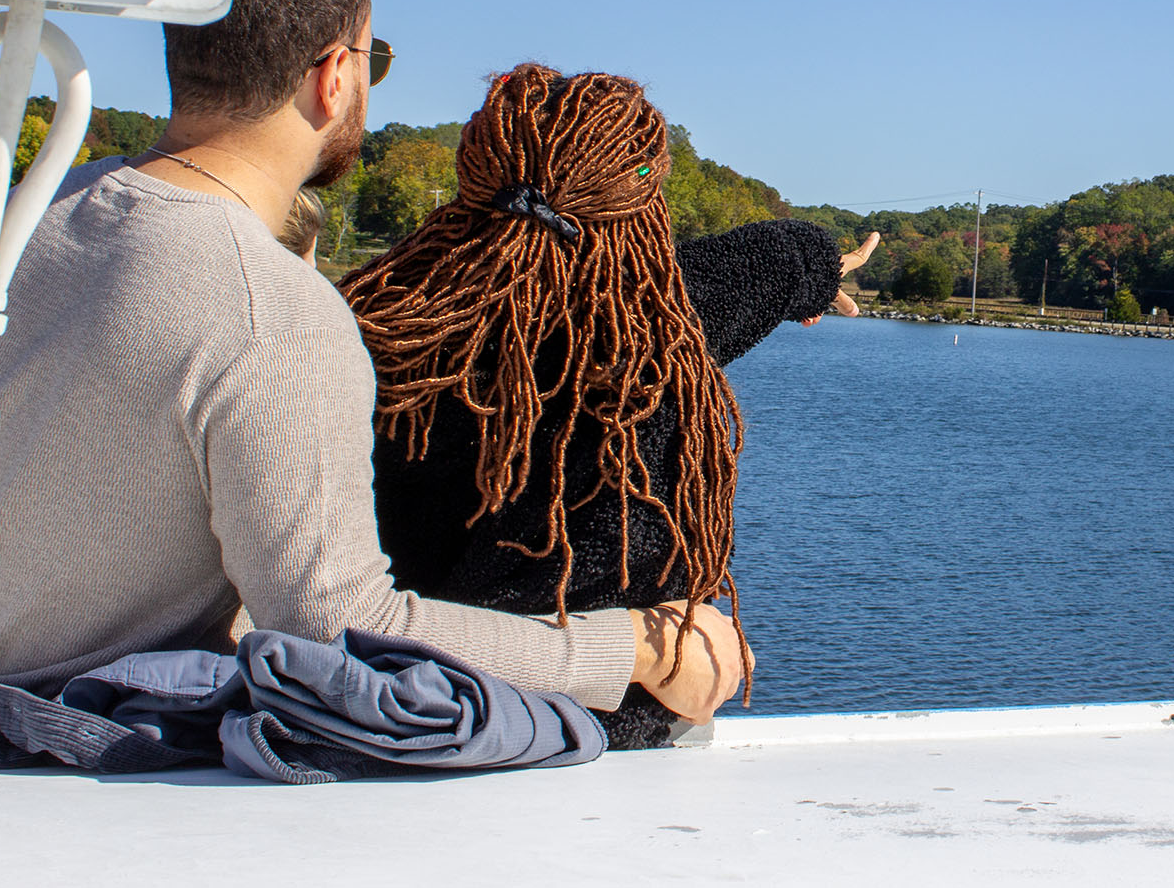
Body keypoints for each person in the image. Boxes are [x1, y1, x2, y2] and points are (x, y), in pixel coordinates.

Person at [0, 0, 744, 737]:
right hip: (57, 760)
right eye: (376, 59)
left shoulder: (20, 216)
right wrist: (635, 648)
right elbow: (339, 631)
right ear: (334, 74)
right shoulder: (269, 312)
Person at [341, 65, 878, 747]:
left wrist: (809, 267)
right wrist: (818, 266)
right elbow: (748, 269)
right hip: (599, 732)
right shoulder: (650, 328)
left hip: (394, 709)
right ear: (640, 197)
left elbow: (752, 268)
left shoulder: (381, 322)